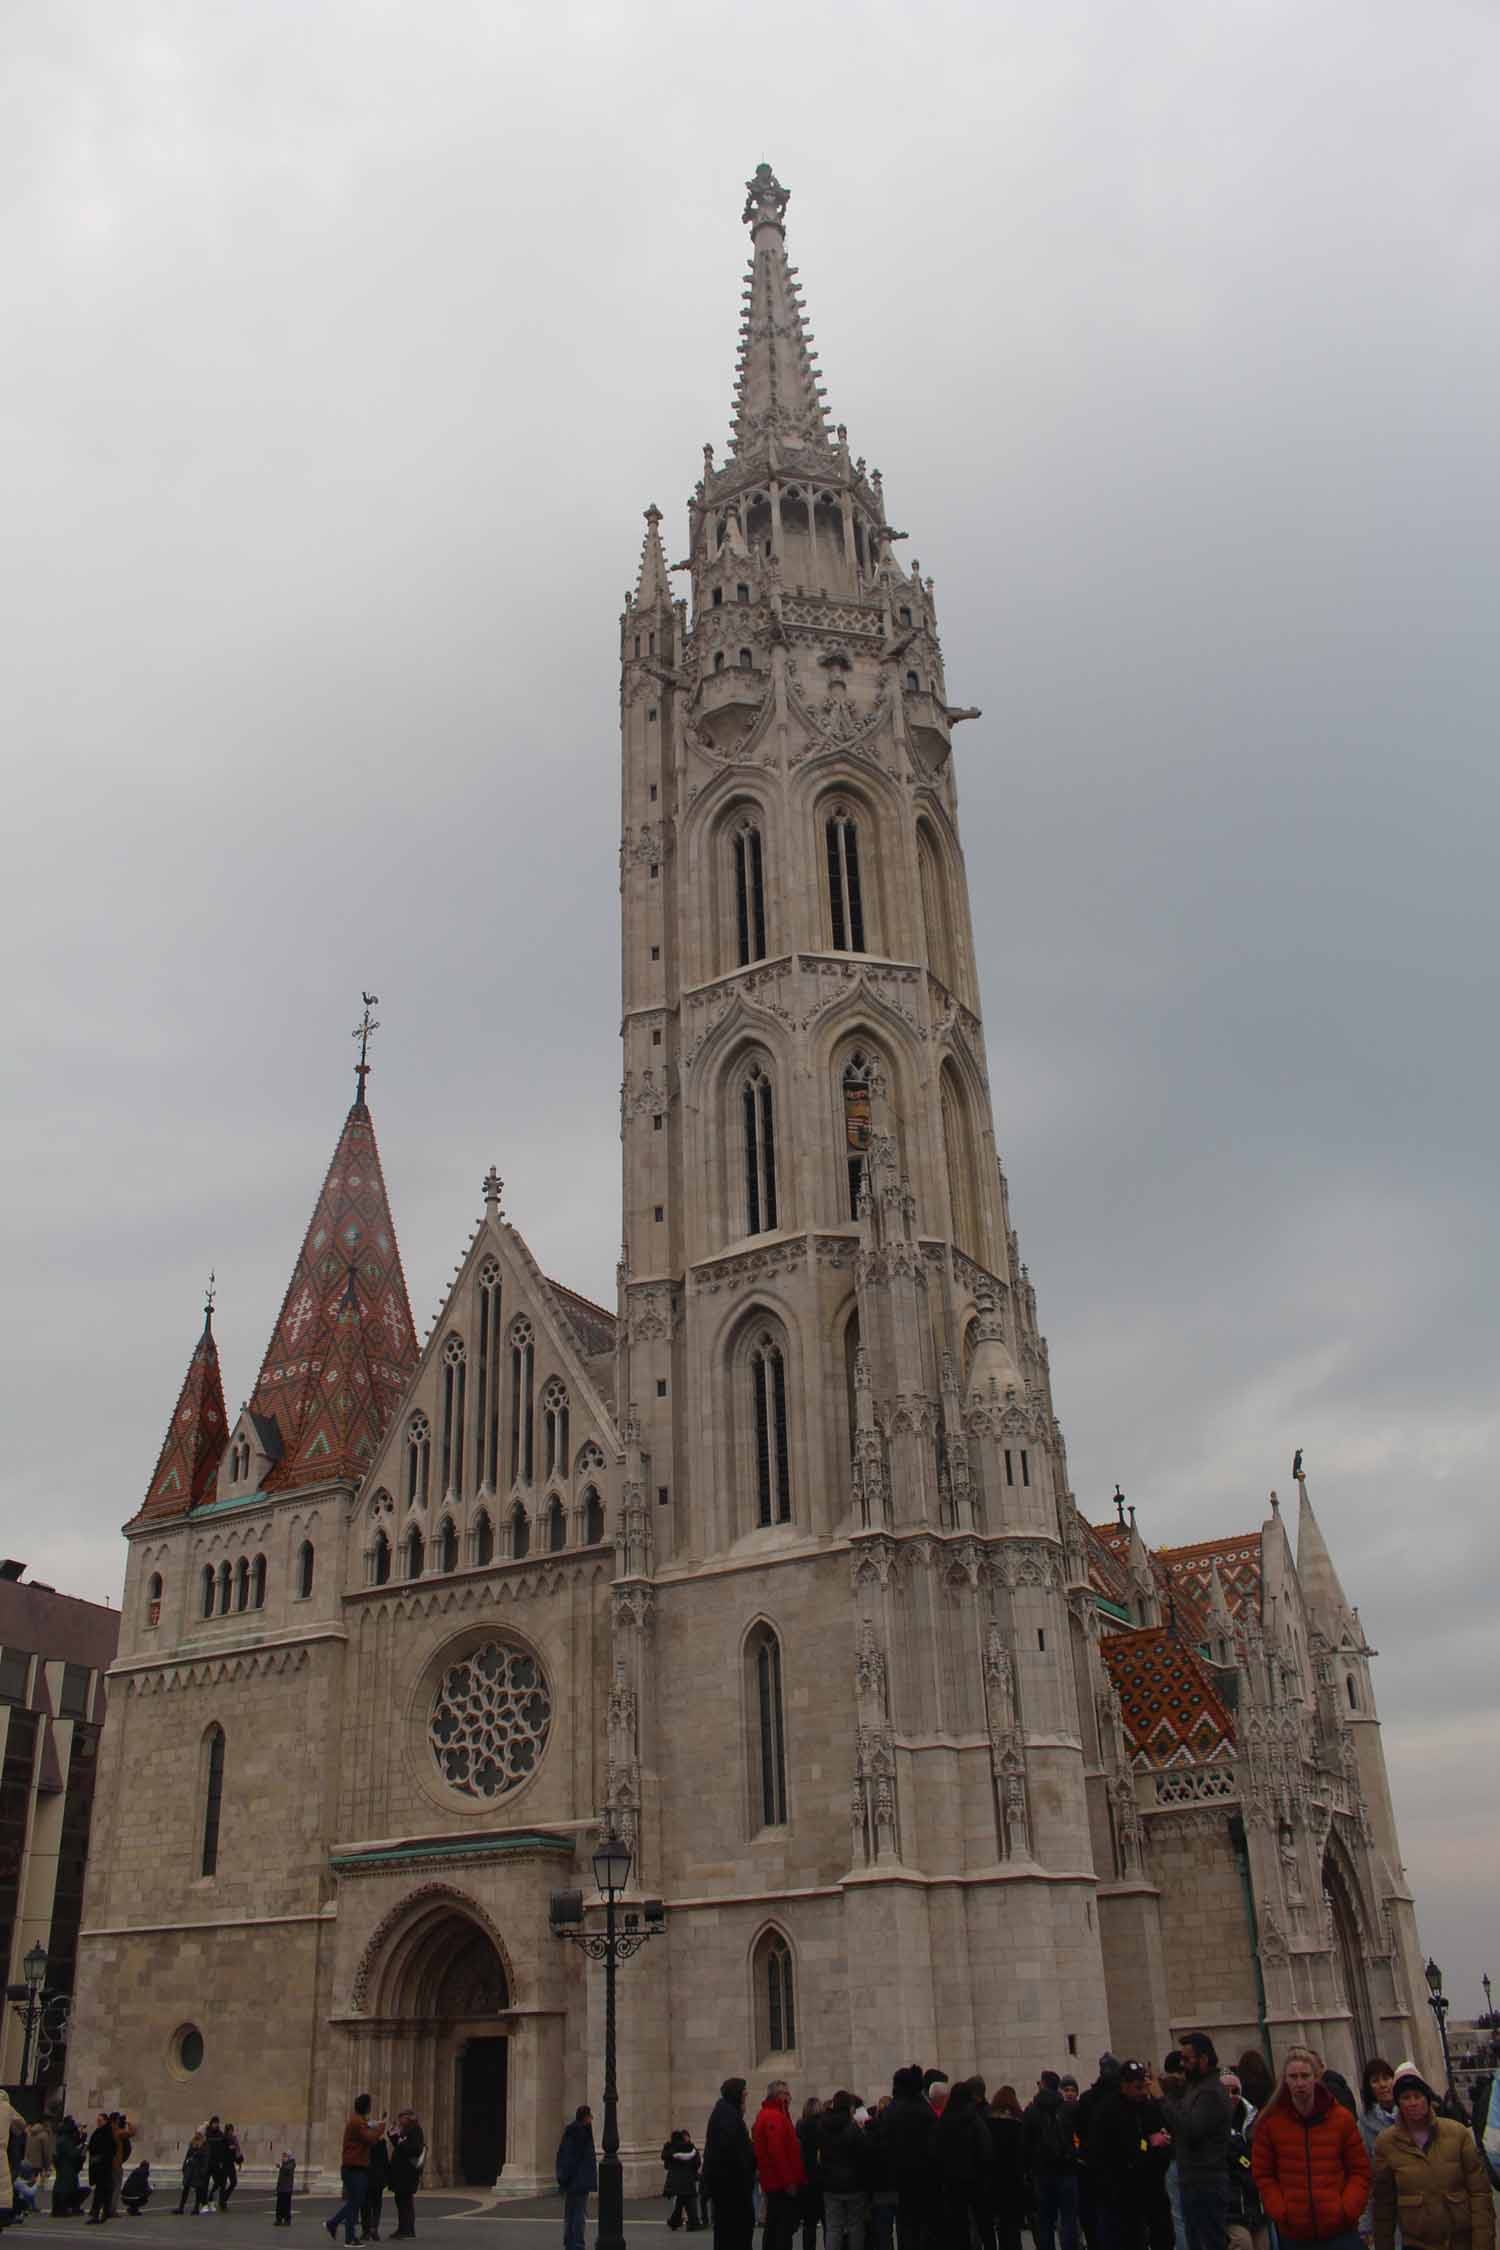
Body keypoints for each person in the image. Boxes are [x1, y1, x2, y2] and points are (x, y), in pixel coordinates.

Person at [1250, 2048, 1370, 2250]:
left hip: (1339, 2231)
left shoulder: (1341, 2119)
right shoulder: (1270, 2122)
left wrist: (1347, 2209)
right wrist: (1281, 2210)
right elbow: (1263, 2173)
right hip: (1294, 2233)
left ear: (1316, 2078)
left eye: (1305, 2076)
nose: (1299, 2083)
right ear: (1285, 2080)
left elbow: (1360, 2171)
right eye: (1293, 2077)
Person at [1371, 2065, 1493, 2250]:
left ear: (1427, 2098)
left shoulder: (1457, 2133)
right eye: (1405, 2098)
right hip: (1417, 2243)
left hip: (1461, 2240)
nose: (1413, 2103)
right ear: (1398, 2103)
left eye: (1417, 2096)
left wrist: (1483, 2243)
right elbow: (1383, 2206)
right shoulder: (1386, 2143)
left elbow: (1480, 2193)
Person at [1087, 2061, 1174, 2250]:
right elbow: (1107, 2152)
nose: (1142, 2091)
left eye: (1144, 2086)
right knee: (1129, 2239)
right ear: (1124, 2085)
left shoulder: (1150, 2108)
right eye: (1137, 2087)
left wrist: (1156, 2150)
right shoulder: (1108, 2111)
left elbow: (1164, 2140)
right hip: (1122, 2190)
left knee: (1164, 2233)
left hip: (1152, 2185)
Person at [1161, 2034, 1234, 2250]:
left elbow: (1192, 2128)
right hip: (1192, 2178)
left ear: (1203, 2059)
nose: (1183, 2064)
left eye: (1187, 2058)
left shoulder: (1210, 2091)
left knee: (1208, 2241)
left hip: (1206, 2180)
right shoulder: (1195, 2088)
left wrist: (1163, 2099)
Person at [1026, 2072, 1081, 2250]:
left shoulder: (1032, 2110)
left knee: (1044, 2221)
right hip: (1066, 2169)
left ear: (1042, 2085)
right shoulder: (1068, 2108)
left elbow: (1025, 2143)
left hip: (1042, 2172)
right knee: (1068, 2218)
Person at [934, 2079, 991, 2250]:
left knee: (958, 2223)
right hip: (976, 2179)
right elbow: (986, 2148)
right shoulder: (974, 2119)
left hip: (952, 2180)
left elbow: (936, 2150)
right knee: (983, 2222)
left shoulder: (944, 2120)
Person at [327, 2095, 387, 2248]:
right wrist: (382, 2128)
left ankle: (346, 2235)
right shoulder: (357, 2122)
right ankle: (336, 2226)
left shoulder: (359, 2121)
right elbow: (370, 2138)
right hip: (354, 2168)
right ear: (366, 2107)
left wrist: (378, 2123)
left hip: (355, 2167)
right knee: (356, 2201)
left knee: (355, 2202)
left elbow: (369, 2125)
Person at [754, 2082, 808, 2250]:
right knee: (782, 2229)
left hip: (775, 2181)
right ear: (778, 2095)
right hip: (779, 2183)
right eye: (786, 2094)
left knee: (774, 2226)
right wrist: (788, 2182)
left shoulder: (774, 2115)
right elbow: (777, 2152)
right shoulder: (773, 2116)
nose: (789, 2098)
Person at [703, 2080, 756, 2250]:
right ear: (736, 2094)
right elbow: (734, 2152)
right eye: (744, 2092)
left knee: (727, 2233)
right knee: (735, 2234)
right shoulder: (729, 2116)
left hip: (727, 2187)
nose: (746, 2095)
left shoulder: (725, 2112)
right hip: (732, 2189)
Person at [816, 2092, 869, 2250]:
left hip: (831, 2184)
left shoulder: (823, 2126)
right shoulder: (853, 2128)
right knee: (855, 2226)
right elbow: (862, 2155)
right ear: (850, 2107)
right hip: (854, 2185)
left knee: (833, 2226)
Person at [1221, 2077, 1266, 2250]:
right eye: (1225, 2092)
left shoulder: (1254, 2120)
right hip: (1230, 2207)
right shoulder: (1211, 2123)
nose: (1231, 2096)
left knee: (1264, 2245)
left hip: (1257, 2204)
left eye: (1235, 2091)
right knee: (1242, 2244)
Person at [1357, 2064, 1398, 2241]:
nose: (1382, 2085)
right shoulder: (1364, 2126)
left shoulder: (1414, 2112)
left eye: (1386, 2078)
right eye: (1375, 2081)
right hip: (1387, 2209)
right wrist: (1365, 2223)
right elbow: (1365, 2175)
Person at [985, 2088, 1028, 2250]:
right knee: (1011, 2228)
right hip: (1013, 2181)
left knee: (994, 2225)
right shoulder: (1018, 2125)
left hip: (993, 2180)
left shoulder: (987, 2123)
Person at [555, 2106, 596, 2250]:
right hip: (578, 2180)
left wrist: (563, 2179)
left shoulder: (572, 2131)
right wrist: (565, 2178)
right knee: (578, 2214)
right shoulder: (581, 2133)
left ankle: (570, 2242)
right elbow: (573, 2159)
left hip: (572, 2180)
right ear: (585, 2117)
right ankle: (577, 2244)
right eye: (590, 2116)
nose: (592, 2119)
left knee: (571, 2213)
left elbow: (565, 2157)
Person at [387, 2111, 425, 2242]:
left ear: (408, 2118)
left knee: (406, 2202)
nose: (399, 2121)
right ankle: (402, 2228)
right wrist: (392, 2134)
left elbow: (415, 2149)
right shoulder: (407, 2129)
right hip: (401, 2172)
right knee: (400, 2201)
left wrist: (401, 2142)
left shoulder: (415, 2130)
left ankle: (408, 2230)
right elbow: (398, 2145)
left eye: (401, 2118)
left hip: (408, 2173)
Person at [663, 2129, 704, 2233]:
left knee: (681, 2200)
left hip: (675, 2180)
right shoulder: (690, 2148)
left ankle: (675, 2221)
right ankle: (692, 2223)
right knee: (689, 2200)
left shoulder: (671, 2148)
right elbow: (697, 2162)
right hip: (688, 2179)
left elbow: (665, 2159)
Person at [798, 2100, 825, 2250]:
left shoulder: (801, 2127)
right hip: (823, 2179)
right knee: (829, 2224)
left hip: (806, 2179)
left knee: (809, 2224)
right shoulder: (824, 2127)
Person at [86, 2117, 116, 2226]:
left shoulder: (106, 2133)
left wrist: (100, 2157)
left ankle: (99, 2214)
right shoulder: (99, 2132)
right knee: (101, 2191)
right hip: (101, 2167)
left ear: (105, 2121)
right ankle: (100, 2214)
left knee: (101, 2192)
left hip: (103, 2167)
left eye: (100, 2120)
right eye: (97, 2120)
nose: (98, 2122)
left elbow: (110, 2149)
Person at [53, 2119, 85, 2216]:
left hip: (64, 2167)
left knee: (65, 2187)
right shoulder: (65, 2140)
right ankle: (62, 2209)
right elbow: (72, 2153)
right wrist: (80, 2149)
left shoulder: (63, 2138)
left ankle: (63, 2208)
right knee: (66, 2188)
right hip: (67, 2167)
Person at [362, 2126, 389, 2241]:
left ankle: (366, 2231)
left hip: (367, 2177)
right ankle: (374, 2228)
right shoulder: (382, 2144)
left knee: (365, 2206)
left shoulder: (365, 2144)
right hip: (378, 2178)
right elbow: (385, 2162)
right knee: (377, 2204)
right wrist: (386, 2178)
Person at [175, 2135, 210, 2216]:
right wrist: (184, 2168)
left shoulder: (205, 2148)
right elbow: (187, 2157)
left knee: (198, 2190)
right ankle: (181, 2208)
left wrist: (203, 2171)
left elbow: (206, 2160)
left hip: (198, 2171)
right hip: (190, 2170)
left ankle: (196, 2208)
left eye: (199, 2139)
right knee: (186, 2189)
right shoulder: (192, 2147)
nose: (197, 2141)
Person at [274, 2154, 296, 2228]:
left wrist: (281, 2166)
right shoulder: (284, 2164)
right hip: (281, 2188)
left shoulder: (291, 2164)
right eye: (283, 2156)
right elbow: (280, 2178)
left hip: (287, 2189)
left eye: (285, 2157)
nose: (283, 2158)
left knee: (286, 2205)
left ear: (289, 2157)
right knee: (279, 2205)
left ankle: (287, 2220)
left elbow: (287, 2170)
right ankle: (278, 2219)